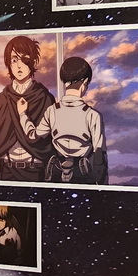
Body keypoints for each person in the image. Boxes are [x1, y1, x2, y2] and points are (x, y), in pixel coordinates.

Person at [20, 56, 107, 184]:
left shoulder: (52, 111)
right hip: (82, 175)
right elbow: (100, 156)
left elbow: (33, 136)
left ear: (64, 82)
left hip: (56, 172)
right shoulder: (93, 115)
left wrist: (22, 114)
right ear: (85, 82)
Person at [0, 36, 56, 182]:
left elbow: (49, 140)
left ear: (33, 61)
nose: (19, 65)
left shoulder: (45, 98)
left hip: (36, 171)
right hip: (6, 170)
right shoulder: (2, 99)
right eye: (14, 60)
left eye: (24, 59)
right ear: (8, 64)